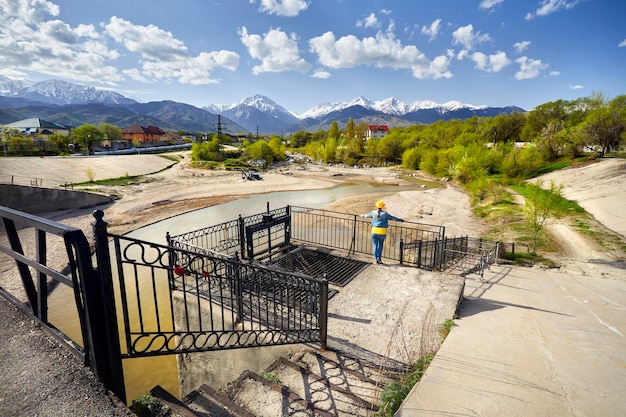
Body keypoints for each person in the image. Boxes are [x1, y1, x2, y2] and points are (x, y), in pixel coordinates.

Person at [361, 200, 404, 264]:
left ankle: (376, 259)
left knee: (375, 246)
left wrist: (362, 215)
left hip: (374, 230)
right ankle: (379, 259)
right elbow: (393, 218)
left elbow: (366, 215)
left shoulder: (373, 213)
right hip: (382, 232)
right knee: (380, 245)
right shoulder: (385, 214)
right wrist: (401, 220)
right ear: (382, 206)